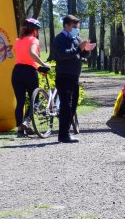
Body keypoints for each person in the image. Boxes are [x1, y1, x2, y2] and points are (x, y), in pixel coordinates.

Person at [53, 14, 95, 143]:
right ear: (66, 26)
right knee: (66, 106)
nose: (77, 29)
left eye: (78, 26)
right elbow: (62, 54)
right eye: (74, 26)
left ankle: (66, 132)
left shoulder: (76, 38)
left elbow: (82, 55)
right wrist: (79, 48)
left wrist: (87, 50)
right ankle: (63, 135)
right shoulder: (59, 39)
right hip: (64, 77)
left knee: (72, 107)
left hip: (74, 78)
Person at [11, 18, 50, 137]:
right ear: (34, 30)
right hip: (29, 73)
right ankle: (26, 121)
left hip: (17, 71)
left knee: (20, 101)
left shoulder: (18, 40)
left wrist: (36, 67)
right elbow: (32, 54)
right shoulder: (34, 40)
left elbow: (19, 56)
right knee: (36, 99)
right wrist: (43, 64)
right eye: (37, 30)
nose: (37, 32)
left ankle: (20, 129)